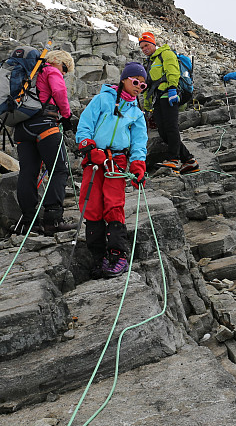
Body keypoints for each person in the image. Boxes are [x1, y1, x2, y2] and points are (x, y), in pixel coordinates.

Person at [75, 62, 149, 277]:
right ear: (124, 79)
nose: (138, 87)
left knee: (114, 203)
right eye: (136, 82)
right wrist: (86, 145)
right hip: (95, 158)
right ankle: (98, 257)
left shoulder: (137, 112)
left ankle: (118, 255)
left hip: (117, 160)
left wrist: (138, 165)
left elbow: (139, 142)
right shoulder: (102, 99)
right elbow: (85, 123)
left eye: (143, 86)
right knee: (91, 203)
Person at [14, 49, 75, 235]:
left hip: (22, 128)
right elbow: (58, 91)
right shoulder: (50, 70)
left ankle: (28, 222)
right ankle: (53, 220)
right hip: (44, 124)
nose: (63, 73)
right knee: (59, 169)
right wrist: (66, 116)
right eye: (65, 68)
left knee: (28, 173)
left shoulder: (30, 74)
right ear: (58, 61)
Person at [138, 31, 198, 174]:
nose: (144, 49)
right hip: (159, 98)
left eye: (146, 45)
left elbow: (172, 71)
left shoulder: (166, 53)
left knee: (171, 128)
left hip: (171, 95)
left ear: (153, 43)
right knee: (163, 130)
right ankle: (189, 160)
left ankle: (173, 159)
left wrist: (172, 89)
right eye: (142, 47)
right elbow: (148, 86)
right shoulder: (149, 62)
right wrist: (147, 108)